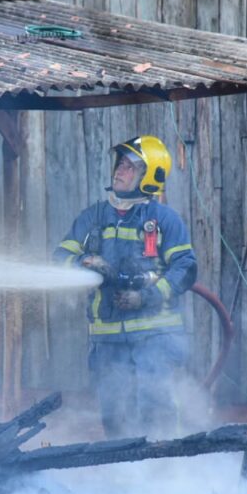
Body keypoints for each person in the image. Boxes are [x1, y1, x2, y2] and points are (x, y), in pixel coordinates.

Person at [53, 136, 197, 439]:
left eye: (131, 166)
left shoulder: (164, 220)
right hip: (107, 339)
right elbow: (60, 258)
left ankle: (167, 465)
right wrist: (83, 261)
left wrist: (146, 296)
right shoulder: (92, 217)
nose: (120, 170)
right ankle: (123, 469)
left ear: (150, 176)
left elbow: (185, 269)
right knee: (114, 415)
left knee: (156, 408)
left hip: (155, 336)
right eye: (120, 163)